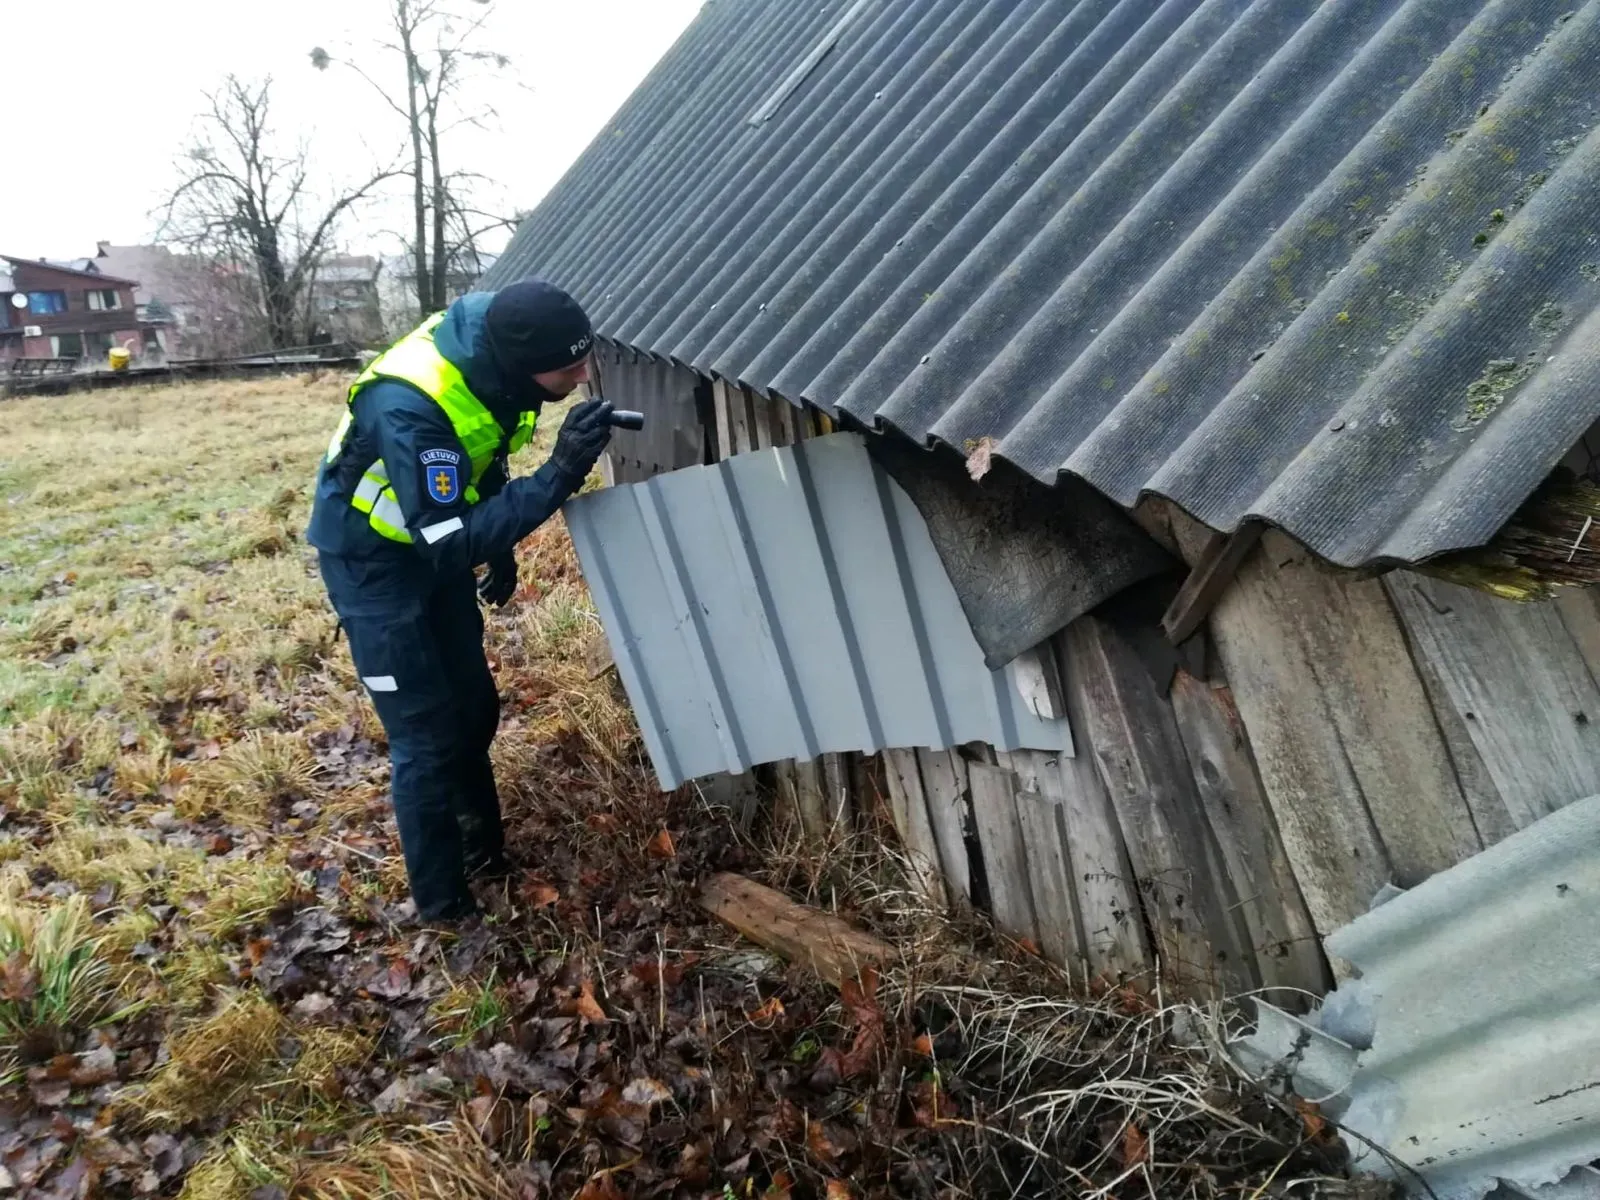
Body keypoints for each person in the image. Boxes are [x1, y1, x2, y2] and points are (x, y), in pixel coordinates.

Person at [307, 280, 614, 921]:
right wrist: (559, 475)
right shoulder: (411, 407)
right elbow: (447, 542)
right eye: (571, 368)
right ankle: (444, 907)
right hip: (373, 564)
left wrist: (496, 548)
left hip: (436, 540)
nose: (584, 374)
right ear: (525, 365)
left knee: (472, 710)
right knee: (425, 738)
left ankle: (484, 851)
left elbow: (483, 458)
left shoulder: (499, 363)